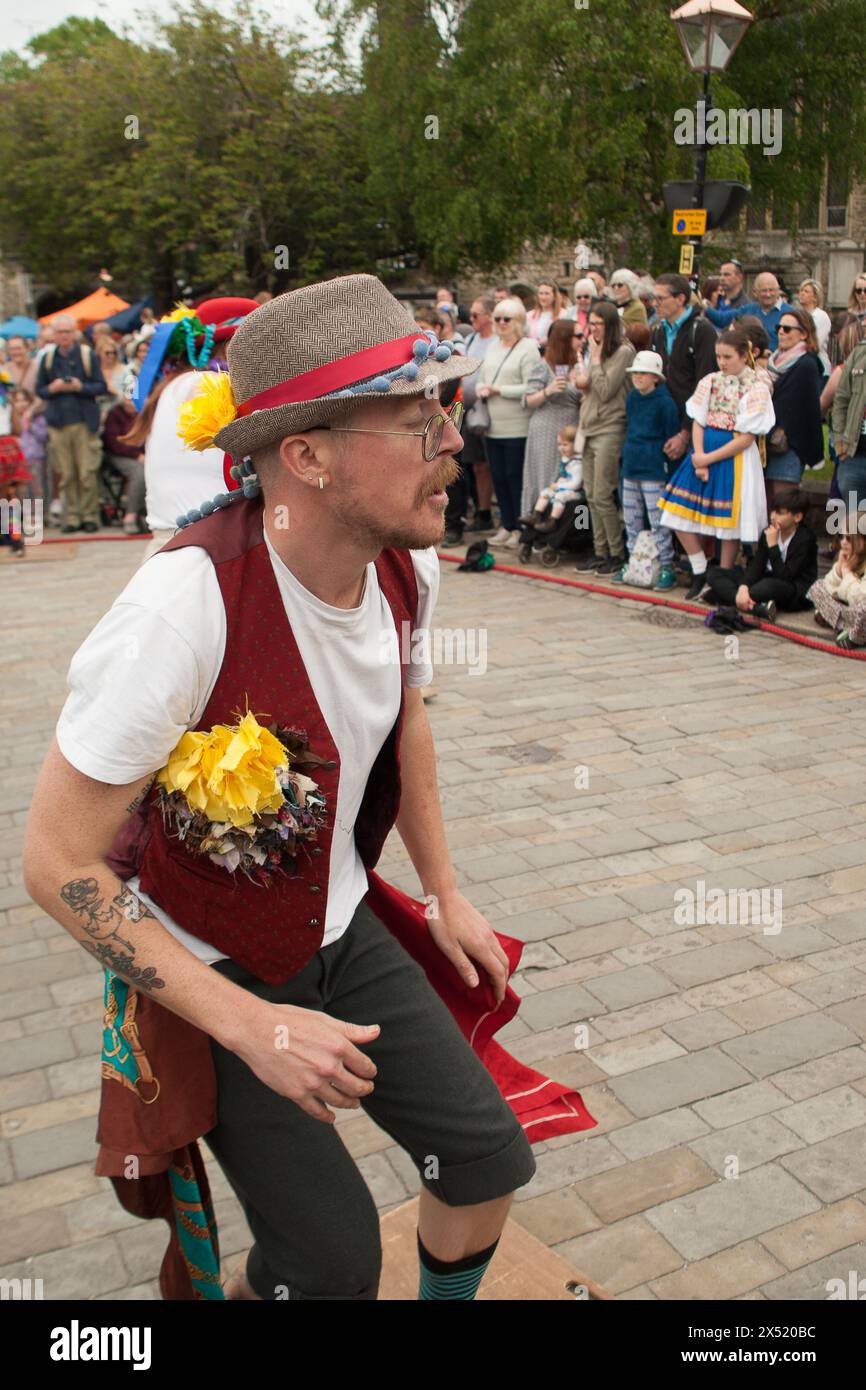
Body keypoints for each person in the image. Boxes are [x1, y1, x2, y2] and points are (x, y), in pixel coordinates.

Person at [23, 275, 596, 1304]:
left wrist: (446, 890)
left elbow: (405, 718)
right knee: (325, 1267)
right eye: (416, 422)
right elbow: (55, 863)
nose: (452, 445)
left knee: (483, 1162)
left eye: (447, 415)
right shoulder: (181, 604)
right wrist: (246, 1023)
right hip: (212, 968)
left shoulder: (400, 568)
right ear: (307, 454)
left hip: (343, 933)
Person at [124, 298, 259, 559]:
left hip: (185, 544)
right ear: (232, 346)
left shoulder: (177, 384)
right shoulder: (206, 384)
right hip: (201, 551)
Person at [658, 326, 774, 600]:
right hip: (704, 449)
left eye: (728, 357)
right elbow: (698, 419)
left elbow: (747, 438)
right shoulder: (710, 381)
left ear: (745, 356)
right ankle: (700, 568)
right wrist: (698, 457)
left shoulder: (756, 386)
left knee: (729, 522)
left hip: (734, 455)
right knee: (676, 512)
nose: (722, 362)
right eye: (719, 357)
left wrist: (709, 458)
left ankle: (722, 575)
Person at [571, 300, 635, 575]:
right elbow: (591, 388)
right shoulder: (594, 350)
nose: (593, 330)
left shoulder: (623, 351)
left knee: (602, 493)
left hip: (610, 427)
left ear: (609, 326)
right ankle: (599, 550)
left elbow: (607, 389)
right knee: (590, 495)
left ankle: (616, 552)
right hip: (589, 424)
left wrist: (595, 363)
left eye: (598, 324)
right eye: (591, 324)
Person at [612, 349, 680, 591]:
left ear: (656, 377)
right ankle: (633, 560)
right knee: (630, 517)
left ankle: (666, 565)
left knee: (658, 519)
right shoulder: (632, 398)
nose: (638, 377)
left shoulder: (664, 403)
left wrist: (666, 467)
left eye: (644, 373)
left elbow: (670, 434)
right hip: (631, 464)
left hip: (653, 468)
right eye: (636, 373)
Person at [475, 297, 541, 547]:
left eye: (507, 319)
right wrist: (483, 388)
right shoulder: (493, 347)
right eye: (498, 318)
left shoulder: (528, 348)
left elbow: (531, 386)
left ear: (519, 322)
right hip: (493, 425)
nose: (501, 323)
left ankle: (519, 529)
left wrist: (499, 390)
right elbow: (482, 377)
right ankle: (506, 523)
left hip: (517, 426)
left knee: (515, 477)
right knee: (499, 477)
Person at [34, 312, 107, 534]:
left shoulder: (87, 355)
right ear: (54, 335)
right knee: (66, 474)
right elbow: (40, 390)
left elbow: (100, 386)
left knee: (86, 472)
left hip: (84, 422)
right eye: (59, 332)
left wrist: (80, 387)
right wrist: (53, 388)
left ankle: (89, 516)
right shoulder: (47, 359)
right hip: (58, 423)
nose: (64, 336)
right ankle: (72, 516)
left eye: (67, 332)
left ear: (74, 333)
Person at [704, 487, 818, 621]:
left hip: (792, 588)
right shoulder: (768, 532)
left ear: (797, 517)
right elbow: (757, 565)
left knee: (765, 587)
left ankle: (730, 598)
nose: (773, 516)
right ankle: (755, 606)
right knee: (714, 573)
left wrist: (773, 546)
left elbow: (785, 576)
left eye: (780, 513)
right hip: (764, 578)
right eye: (773, 511)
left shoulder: (805, 539)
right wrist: (744, 586)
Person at [649, 273, 719, 467]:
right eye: (653, 298)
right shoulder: (658, 331)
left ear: (680, 299)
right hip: (664, 421)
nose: (655, 304)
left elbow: (705, 383)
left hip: (691, 427)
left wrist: (686, 432)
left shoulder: (702, 331)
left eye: (660, 298)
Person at [443, 294, 496, 545]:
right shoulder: (473, 338)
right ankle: (478, 513)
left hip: (484, 411)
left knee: (484, 466)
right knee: (473, 465)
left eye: (476, 315)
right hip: (464, 411)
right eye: (470, 315)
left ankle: (482, 513)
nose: (471, 319)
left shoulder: (493, 341)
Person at [519, 318, 581, 518]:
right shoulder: (543, 365)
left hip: (572, 428)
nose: (583, 339)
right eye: (578, 336)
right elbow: (527, 400)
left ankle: (563, 532)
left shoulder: (580, 363)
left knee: (570, 480)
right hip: (547, 428)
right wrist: (549, 390)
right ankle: (536, 529)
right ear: (565, 339)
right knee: (546, 478)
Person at [763, 306, 825, 501]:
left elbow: (806, 410)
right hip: (765, 442)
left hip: (788, 446)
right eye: (779, 327)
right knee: (766, 505)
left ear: (804, 334)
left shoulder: (807, 364)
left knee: (784, 505)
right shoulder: (773, 361)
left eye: (787, 329)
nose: (781, 332)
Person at [518, 422, 582, 538]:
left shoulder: (578, 463)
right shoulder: (565, 459)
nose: (561, 448)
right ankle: (536, 515)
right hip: (563, 487)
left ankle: (552, 521)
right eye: (559, 445)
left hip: (575, 492)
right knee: (545, 492)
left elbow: (576, 484)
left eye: (565, 445)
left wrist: (559, 486)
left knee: (559, 496)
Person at [704, 271, 796, 351]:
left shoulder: (791, 313)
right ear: (755, 292)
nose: (768, 294)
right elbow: (722, 319)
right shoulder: (747, 310)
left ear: (778, 290)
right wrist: (703, 306)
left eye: (771, 290)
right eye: (764, 291)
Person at [807, 529, 866, 648]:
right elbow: (828, 585)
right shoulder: (850, 557)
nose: (843, 542)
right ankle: (850, 628)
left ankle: (848, 629)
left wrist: (846, 572)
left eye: (849, 539)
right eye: (842, 537)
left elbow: (860, 598)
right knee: (818, 587)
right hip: (852, 611)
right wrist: (839, 569)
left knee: (863, 608)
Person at [102, 390, 147, 534]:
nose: (131, 403)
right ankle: (131, 515)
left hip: (143, 455)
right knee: (139, 472)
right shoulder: (114, 414)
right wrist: (136, 455)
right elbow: (113, 442)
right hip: (119, 455)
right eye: (128, 400)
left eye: (134, 400)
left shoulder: (144, 414)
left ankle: (149, 512)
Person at [831, 332, 866, 510]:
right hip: (854, 454)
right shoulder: (860, 351)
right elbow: (841, 399)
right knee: (854, 524)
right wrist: (839, 440)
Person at [9, 387, 49, 504]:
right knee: (21, 492)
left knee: (37, 490)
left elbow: (43, 436)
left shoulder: (37, 418)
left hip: (35, 458)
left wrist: (30, 425)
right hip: (19, 462)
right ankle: (22, 517)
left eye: (24, 400)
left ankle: (37, 517)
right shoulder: (12, 420)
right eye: (17, 401)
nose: (21, 404)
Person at [798, 279, 832, 367]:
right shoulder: (797, 315)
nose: (802, 293)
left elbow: (816, 343)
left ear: (815, 297)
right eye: (801, 290)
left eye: (806, 291)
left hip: (818, 364)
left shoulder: (821, 316)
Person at [526, 280, 563, 345]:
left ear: (554, 296)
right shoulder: (529, 315)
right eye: (541, 293)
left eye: (547, 294)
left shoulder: (563, 314)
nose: (543, 297)